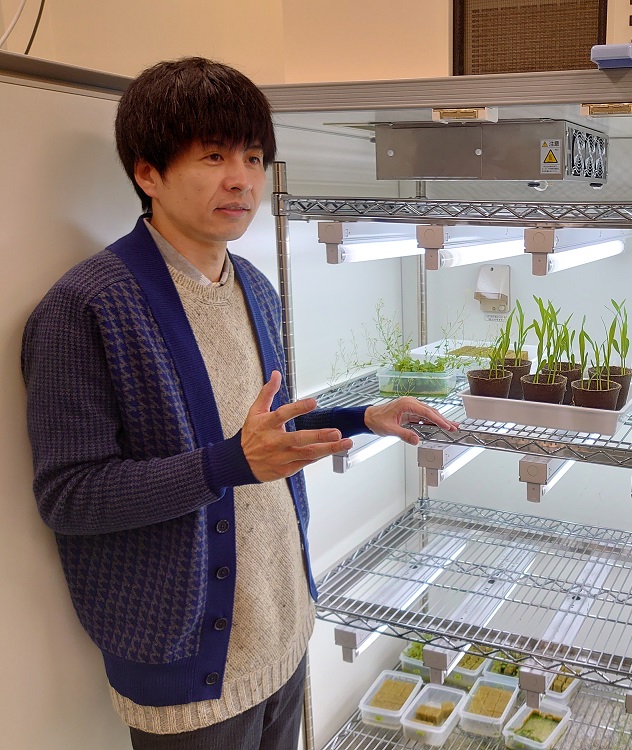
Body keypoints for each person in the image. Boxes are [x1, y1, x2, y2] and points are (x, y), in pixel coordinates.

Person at [20, 57, 458, 750]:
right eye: (214, 156)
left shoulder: (253, 284)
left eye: (254, 158)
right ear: (148, 173)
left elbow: (262, 437)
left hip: (282, 632)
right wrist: (226, 464)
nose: (242, 180)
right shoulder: (85, 308)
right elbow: (70, 497)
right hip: (188, 673)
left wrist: (361, 417)